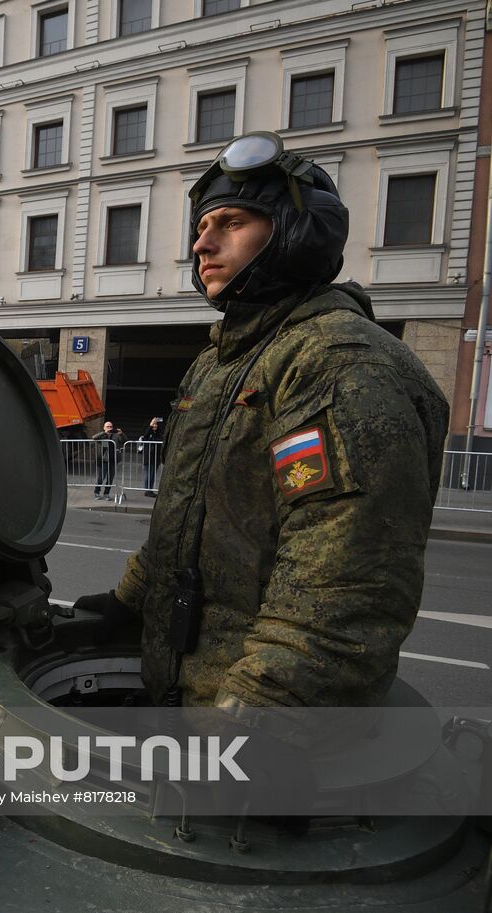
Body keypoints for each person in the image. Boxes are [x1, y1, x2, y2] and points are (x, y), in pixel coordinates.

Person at [74, 131, 449, 717]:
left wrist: (254, 726)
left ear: (299, 233)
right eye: (200, 227)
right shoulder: (223, 362)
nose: (204, 244)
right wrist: (134, 597)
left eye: (231, 223)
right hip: (189, 696)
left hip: (263, 737)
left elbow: (343, 592)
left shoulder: (337, 363)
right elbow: (194, 516)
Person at [91, 421, 124, 500]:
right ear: (104, 427)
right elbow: (94, 437)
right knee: (101, 478)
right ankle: (97, 492)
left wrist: (121, 434)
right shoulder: (102, 435)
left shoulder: (116, 436)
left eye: (111, 427)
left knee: (110, 478)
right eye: (107, 426)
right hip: (103, 460)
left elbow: (124, 441)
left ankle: (106, 493)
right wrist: (104, 433)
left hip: (113, 460)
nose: (109, 428)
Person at [138, 417, 164, 497]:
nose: (155, 426)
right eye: (153, 424)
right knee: (149, 474)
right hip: (148, 456)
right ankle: (148, 490)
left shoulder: (159, 433)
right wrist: (151, 425)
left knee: (152, 474)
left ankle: (149, 489)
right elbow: (145, 436)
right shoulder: (147, 433)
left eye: (156, 424)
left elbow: (161, 438)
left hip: (156, 457)